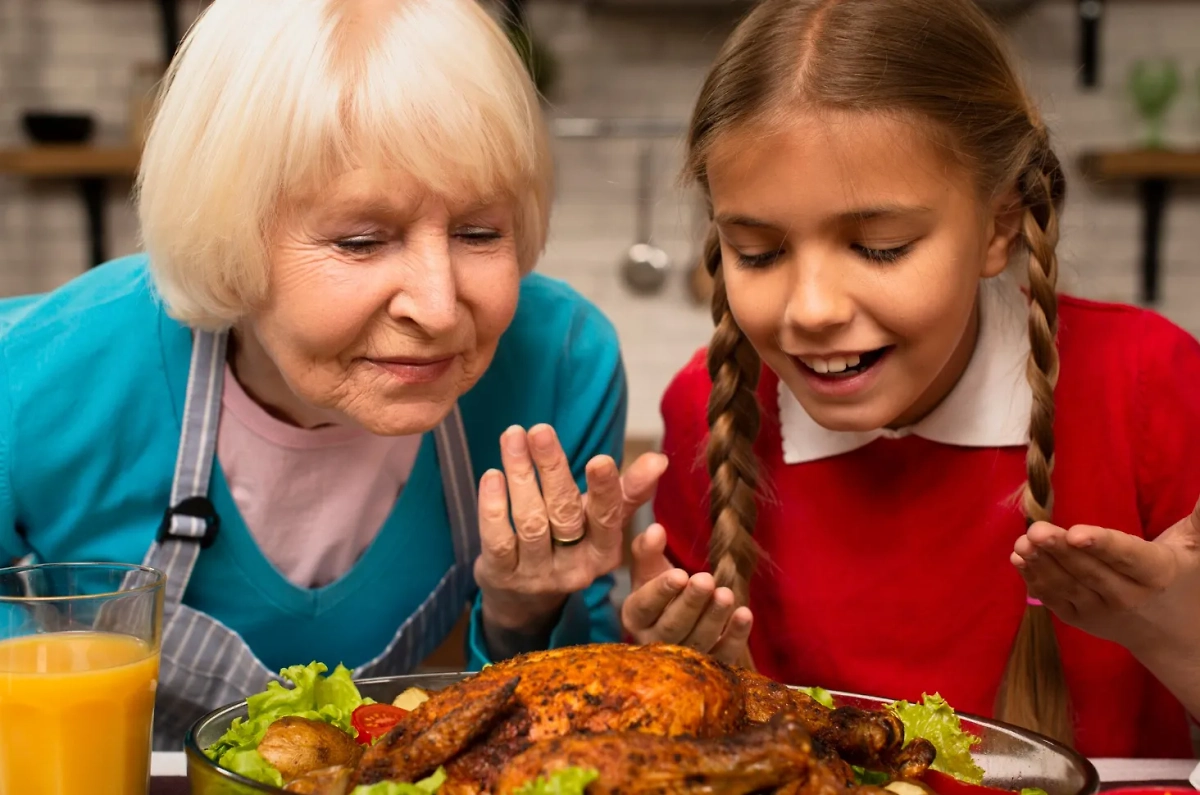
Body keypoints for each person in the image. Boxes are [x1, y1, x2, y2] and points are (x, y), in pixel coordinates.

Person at [0, 0, 663, 748]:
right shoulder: (34, 375)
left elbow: (573, 725)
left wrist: (522, 613)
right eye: (361, 241)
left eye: (479, 232)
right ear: (226, 236)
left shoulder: (560, 366)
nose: (438, 307)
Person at [622, 0, 1200, 759]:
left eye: (881, 247)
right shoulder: (709, 407)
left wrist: (1179, 636)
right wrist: (697, 685)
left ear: (999, 226)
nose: (812, 309)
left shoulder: (1148, 382)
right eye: (759, 254)